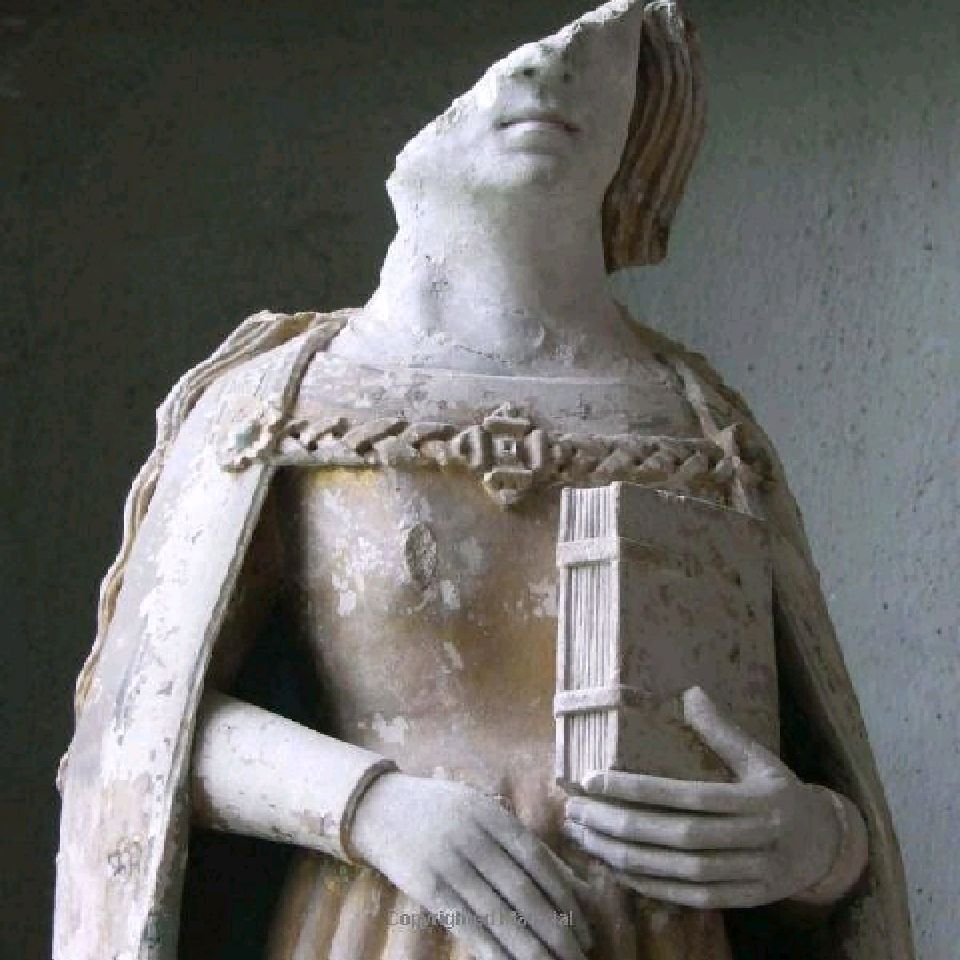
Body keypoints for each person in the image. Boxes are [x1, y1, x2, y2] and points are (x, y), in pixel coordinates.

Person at [54, 3, 914, 959]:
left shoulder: (702, 425)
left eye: (600, 55)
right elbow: (137, 730)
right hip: (385, 930)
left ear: (645, 112)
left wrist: (815, 844)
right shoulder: (285, 401)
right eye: (524, 58)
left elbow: (818, 770)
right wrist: (368, 806)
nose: (550, 71)